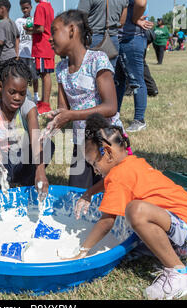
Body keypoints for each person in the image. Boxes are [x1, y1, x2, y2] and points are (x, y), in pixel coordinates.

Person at [68, 113, 187, 300]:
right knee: (130, 219)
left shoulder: (120, 176)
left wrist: (81, 252)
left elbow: (106, 222)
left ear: (108, 153)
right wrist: (89, 192)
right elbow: (109, 182)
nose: (95, 170)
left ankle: (180, 274)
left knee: (135, 211)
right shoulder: (130, 163)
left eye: (94, 163)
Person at [47, 10, 125, 190]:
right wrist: (56, 119)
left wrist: (71, 115)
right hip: (82, 144)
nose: (50, 38)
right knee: (78, 195)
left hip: (107, 141)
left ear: (72, 30)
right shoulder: (61, 69)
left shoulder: (97, 60)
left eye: (54, 31)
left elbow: (111, 107)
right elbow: (63, 108)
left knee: (111, 194)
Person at [0, 58, 53, 193]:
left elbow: (35, 138)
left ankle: (27, 181)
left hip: (21, 161)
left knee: (46, 143)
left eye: (22, 93)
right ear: (1, 86)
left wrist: (40, 171)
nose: (17, 97)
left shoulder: (28, 107)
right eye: (12, 92)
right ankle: (0, 185)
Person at [114, 0, 153, 133]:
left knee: (136, 81)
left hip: (131, 38)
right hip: (120, 38)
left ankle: (139, 120)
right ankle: (114, 118)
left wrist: (135, 19)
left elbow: (141, 3)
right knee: (117, 83)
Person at [77, 0, 128, 69]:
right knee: (109, 73)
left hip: (92, 38)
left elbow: (80, 17)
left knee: (88, 73)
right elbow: (122, 22)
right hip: (112, 41)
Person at [24, 0, 55, 114]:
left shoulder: (40, 6)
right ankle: (44, 102)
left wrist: (28, 29)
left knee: (45, 75)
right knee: (45, 75)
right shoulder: (48, 6)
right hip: (47, 46)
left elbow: (40, 28)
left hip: (42, 47)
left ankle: (45, 105)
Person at [16, 0, 40, 103]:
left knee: (34, 76)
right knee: (22, 75)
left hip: (32, 53)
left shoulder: (35, 20)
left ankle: (36, 95)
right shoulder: (18, 21)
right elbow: (17, 38)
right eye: (23, 8)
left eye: (27, 8)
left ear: (31, 7)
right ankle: (25, 94)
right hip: (22, 53)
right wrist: (16, 53)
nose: (25, 10)